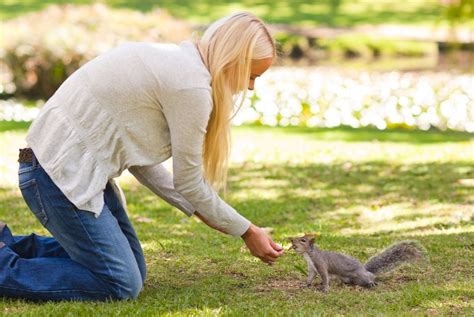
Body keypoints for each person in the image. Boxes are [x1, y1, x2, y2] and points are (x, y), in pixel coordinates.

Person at [0, 12, 283, 301]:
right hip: (56, 175)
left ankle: (7, 244)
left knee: (132, 268)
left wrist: (200, 210)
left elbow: (142, 162)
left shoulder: (181, 64)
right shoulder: (191, 86)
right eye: (251, 75)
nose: (249, 87)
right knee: (120, 284)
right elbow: (190, 182)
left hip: (75, 172)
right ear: (232, 59)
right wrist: (246, 231)